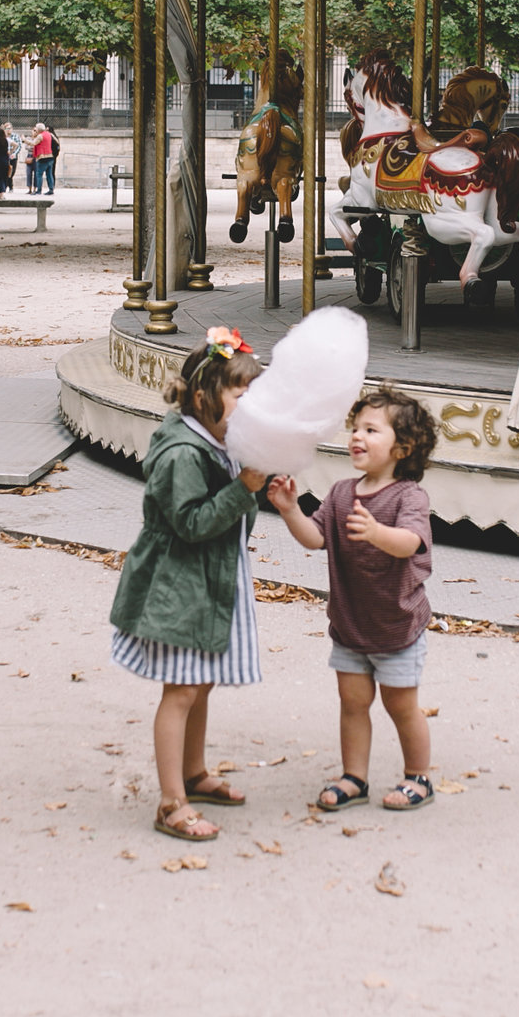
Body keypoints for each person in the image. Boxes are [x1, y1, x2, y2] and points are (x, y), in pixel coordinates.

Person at [108, 326, 273, 843]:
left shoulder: (219, 438)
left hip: (210, 576)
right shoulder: (181, 452)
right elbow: (193, 523)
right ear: (205, 398)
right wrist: (245, 489)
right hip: (179, 583)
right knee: (180, 688)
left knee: (200, 681)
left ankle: (195, 773)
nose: (252, 408)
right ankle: (170, 801)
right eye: (242, 396)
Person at [267, 385, 441, 812]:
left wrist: (378, 533)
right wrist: (291, 510)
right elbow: (315, 538)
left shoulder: (409, 496)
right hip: (350, 624)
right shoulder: (342, 492)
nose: (357, 437)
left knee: (401, 706)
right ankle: (354, 777)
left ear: (404, 447)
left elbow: (410, 542)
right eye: (355, 428)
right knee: (353, 703)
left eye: (372, 430)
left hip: (397, 626)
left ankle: (418, 777)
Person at [29, 123, 59, 194]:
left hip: (43, 156)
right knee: (49, 174)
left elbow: (33, 143)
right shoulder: (49, 134)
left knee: (39, 174)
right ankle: (51, 189)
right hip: (50, 156)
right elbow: (57, 141)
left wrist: (24, 140)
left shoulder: (40, 136)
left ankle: (39, 190)